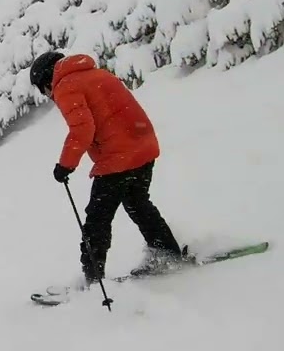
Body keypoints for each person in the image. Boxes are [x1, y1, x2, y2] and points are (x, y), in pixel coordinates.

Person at [29, 50, 189, 287]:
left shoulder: (65, 85)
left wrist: (65, 165)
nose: (47, 95)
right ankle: (168, 254)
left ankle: (94, 281)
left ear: (46, 79)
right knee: (138, 205)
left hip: (118, 158)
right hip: (143, 149)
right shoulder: (97, 73)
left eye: (43, 90)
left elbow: (82, 129)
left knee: (97, 220)